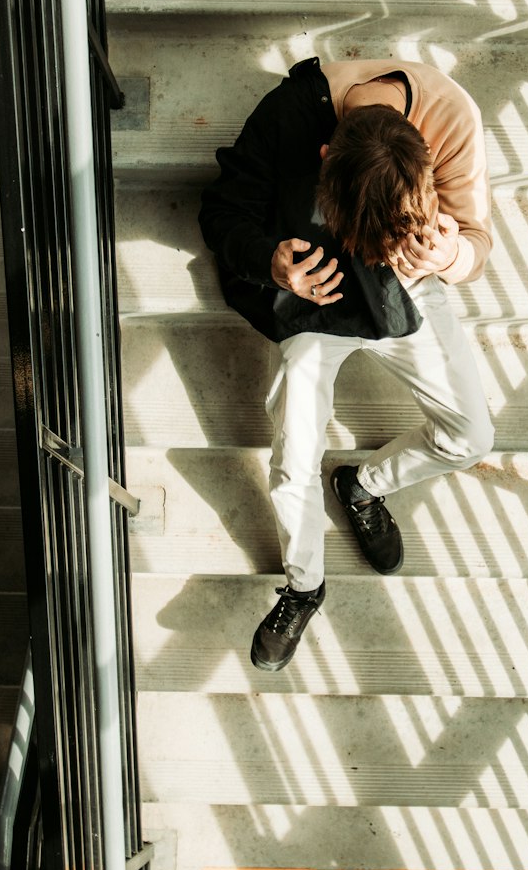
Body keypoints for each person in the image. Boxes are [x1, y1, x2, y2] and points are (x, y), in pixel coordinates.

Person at [199, 56, 494, 671]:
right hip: (316, 298)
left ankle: (363, 486)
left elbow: (477, 245)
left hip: (401, 287)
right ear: (326, 156)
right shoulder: (289, 116)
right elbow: (222, 211)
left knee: (472, 434)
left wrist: (450, 254)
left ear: (425, 160)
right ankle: (305, 585)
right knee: (291, 463)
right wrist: (268, 261)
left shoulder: (455, 121)